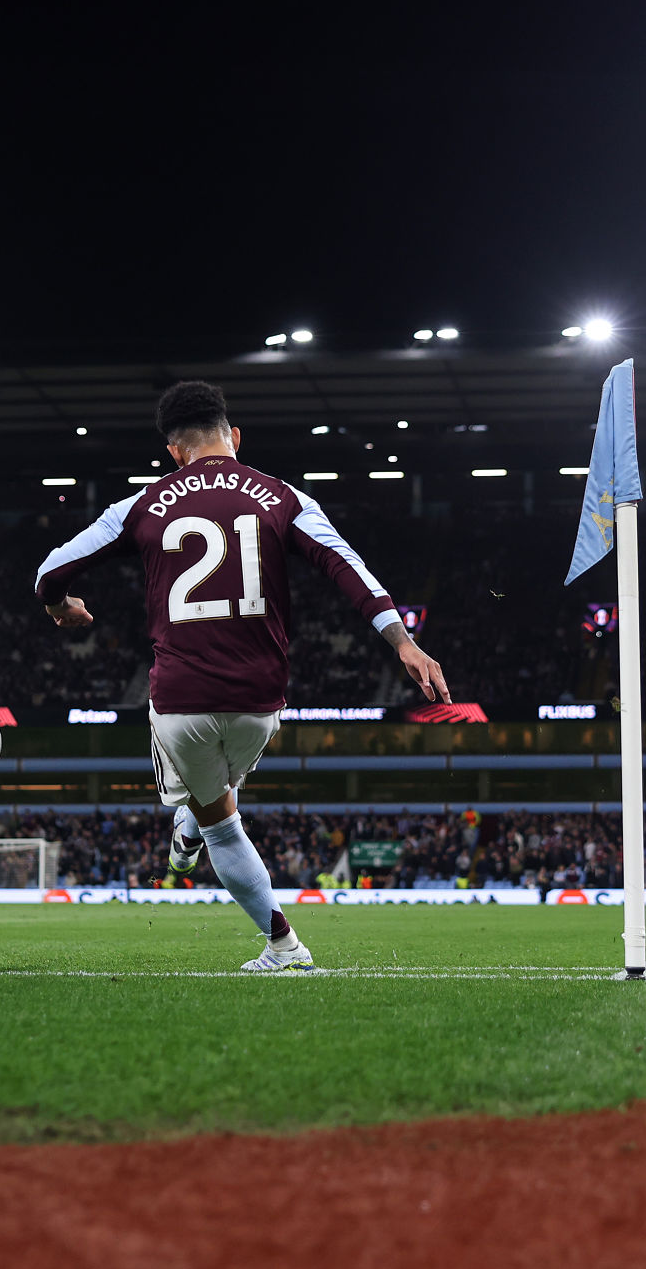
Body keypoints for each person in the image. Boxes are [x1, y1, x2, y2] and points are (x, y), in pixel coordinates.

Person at [34, 380, 450, 971]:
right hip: (261, 699)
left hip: (181, 702)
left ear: (173, 451)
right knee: (222, 781)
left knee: (220, 823)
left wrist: (59, 607)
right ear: (233, 436)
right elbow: (348, 570)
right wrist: (403, 642)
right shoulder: (284, 498)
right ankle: (191, 824)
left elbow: (50, 571)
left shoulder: (141, 505)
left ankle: (283, 943)